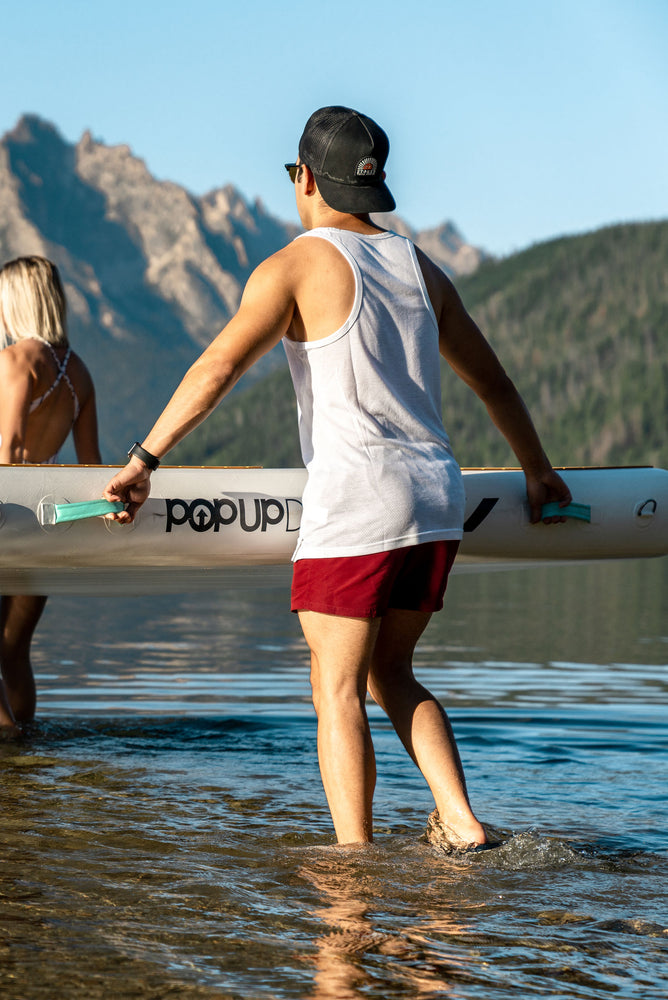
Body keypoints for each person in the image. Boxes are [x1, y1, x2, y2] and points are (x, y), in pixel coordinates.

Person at [102, 107, 572, 848]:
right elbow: (496, 384)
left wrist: (144, 459)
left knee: (336, 691)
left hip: (358, 502)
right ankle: (461, 819)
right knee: (394, 673)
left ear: (305, 179)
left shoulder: (295, 265)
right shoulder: (421, 268)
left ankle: (353, 865)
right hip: (435, 498)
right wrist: (537, 471)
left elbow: (218, 367)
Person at [0, 256, 102, 733]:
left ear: (17, 300)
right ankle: (26, 754)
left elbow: (9, 452)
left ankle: (5, 737)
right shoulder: (78, 373)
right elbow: (92, 468)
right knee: (14, 651)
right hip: (45, 525)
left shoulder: (15, 360)